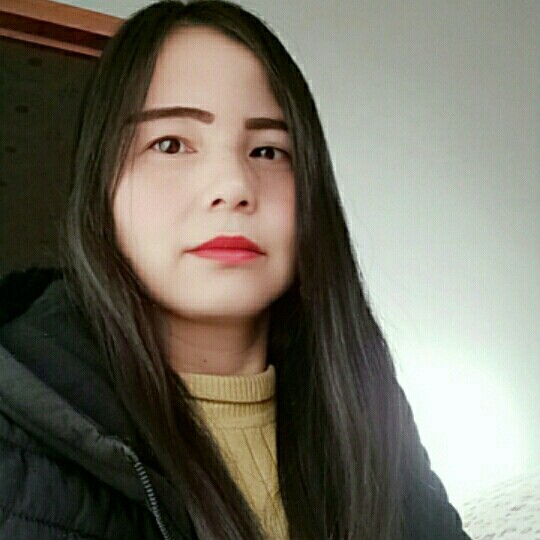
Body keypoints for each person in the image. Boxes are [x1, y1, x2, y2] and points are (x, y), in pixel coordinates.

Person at [0, 1, 472, 538]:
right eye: (171, 144)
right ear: (101, 185)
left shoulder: (370, 411)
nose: (233, 186)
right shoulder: (19, 438)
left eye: (268, 151)